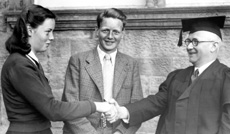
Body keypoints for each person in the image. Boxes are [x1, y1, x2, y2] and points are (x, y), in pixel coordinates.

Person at [1, 4, 115, 134]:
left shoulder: (28, 62)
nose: (52, 37)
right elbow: (52, 110)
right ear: (29, 30)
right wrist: (97, 106)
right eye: (47, 31)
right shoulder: (19, 65)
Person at [107, 16, 230, 134]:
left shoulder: (226, 79)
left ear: (213, 46)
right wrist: (122, 111)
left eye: (195, 42)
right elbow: (155, 103)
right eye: (188, 41)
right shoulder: (177, 76)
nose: (189, 47)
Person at [62, 8, 143, 134]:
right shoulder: (78, 61)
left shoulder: (131, 64)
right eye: (105, 30)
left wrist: (120, 132)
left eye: (116, 32)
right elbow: (70, 107)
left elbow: (137, 109)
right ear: (97, 31)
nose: (110, 37)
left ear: (123, 33)